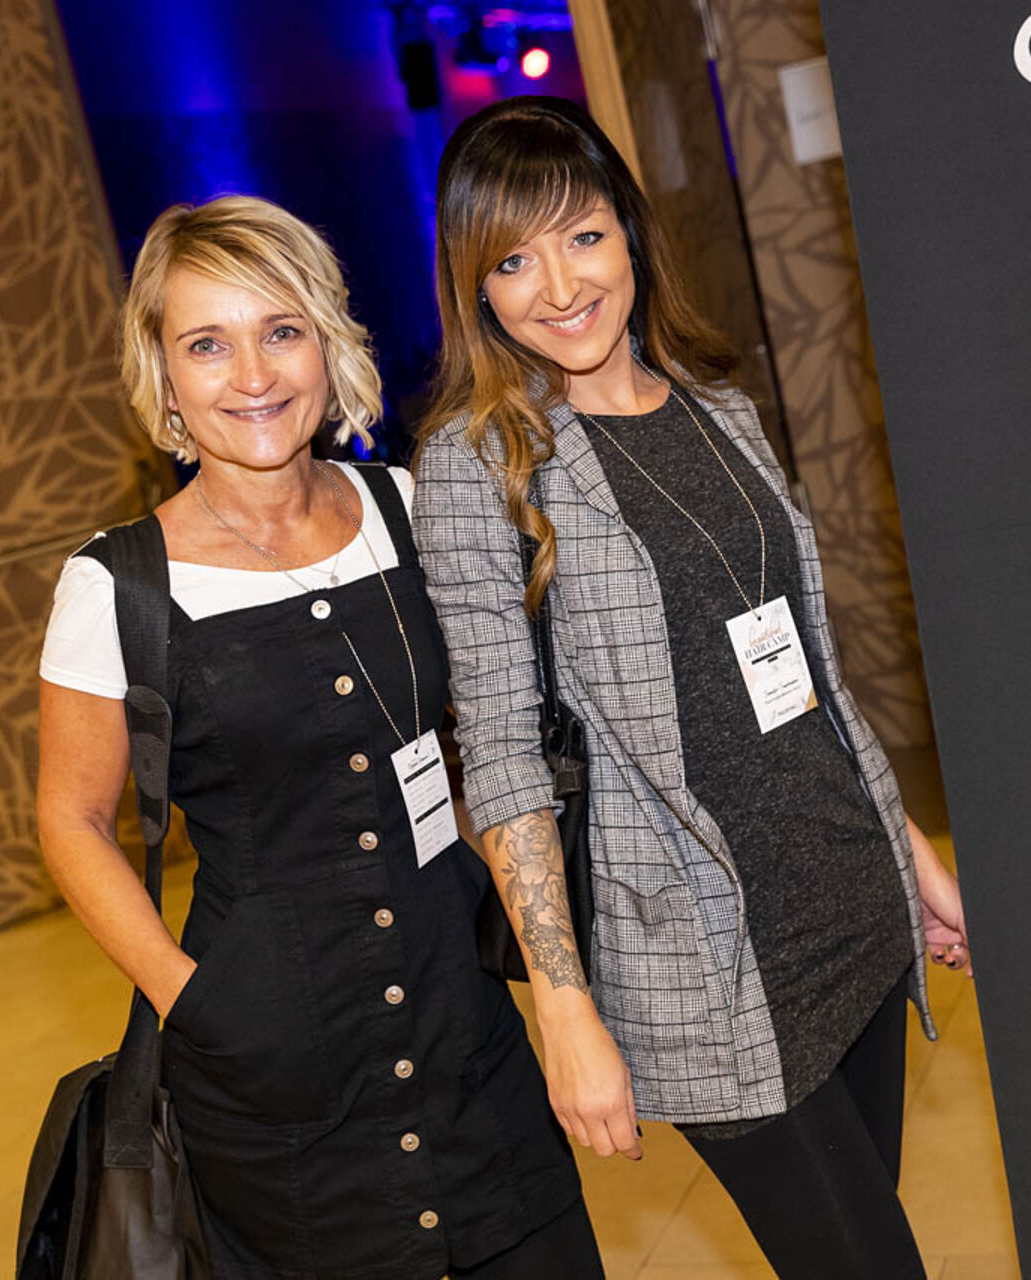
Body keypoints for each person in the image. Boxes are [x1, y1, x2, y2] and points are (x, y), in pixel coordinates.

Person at [412, 97, 973, 1278]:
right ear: (474, 285)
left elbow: (807, 668)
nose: (559, 286)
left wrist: (905, 843)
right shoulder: (477, 463)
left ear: (628, 230)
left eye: (582, 237)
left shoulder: (719, 407)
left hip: (846, 896)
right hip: (705, 954)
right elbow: (502, 754)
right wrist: (564, 1005)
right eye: (512, 260)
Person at [34, 194, 602, 1279]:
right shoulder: (116, 585)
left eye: (281, 330)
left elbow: (488, 744)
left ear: (328, 345)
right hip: (269, 1078)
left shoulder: (410, 510)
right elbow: (70, 819)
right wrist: (192, 1000)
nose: (253, 374)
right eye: (208, 343)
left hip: (464, 1031)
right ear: (164, 375)